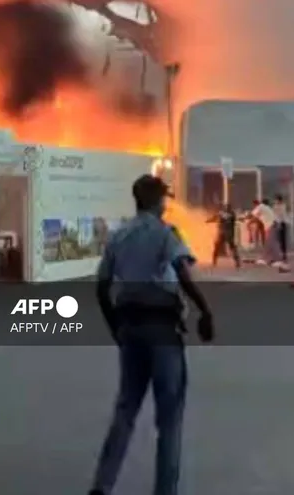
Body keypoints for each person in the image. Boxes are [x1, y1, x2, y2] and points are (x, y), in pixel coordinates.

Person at [90, 174, 214, 495]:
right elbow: (183, 274)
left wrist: (115, 328)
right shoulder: (165, 234)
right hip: (162, 331)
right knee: (169, 418)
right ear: (158, 201)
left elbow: (102, 288)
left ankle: (102, 486)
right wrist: (205, 311)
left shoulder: (118, 236)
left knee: (126, 410)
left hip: (129, 329)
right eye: (164, 199)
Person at [208, 203, 241, 268]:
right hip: (229, 233)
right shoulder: (232, 214)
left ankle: (214, 261)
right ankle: (237, 262)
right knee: (232, 247)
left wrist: (208, 221)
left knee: (217, 247)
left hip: (222, 233)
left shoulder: (221, 213)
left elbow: (213, 218)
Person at [249, 199, 276, 263]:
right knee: (270, 242)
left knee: (269, 242)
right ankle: (269, 257)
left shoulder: (260, 207)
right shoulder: (267, 208)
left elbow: (252, 215)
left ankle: (268, 258)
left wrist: (248, 220)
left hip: (269, 226)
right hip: (272, 225)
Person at [272, 194, 290, 262]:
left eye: (276, 199)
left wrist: (279, 224)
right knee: (279, 240)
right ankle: (281, 254)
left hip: (281, 223)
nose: (275, 201)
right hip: (279, 223)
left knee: (281, 239)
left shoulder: (280, 206)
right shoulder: (279, 206)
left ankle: (283, 254)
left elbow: (281, 215)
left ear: (279, 200)